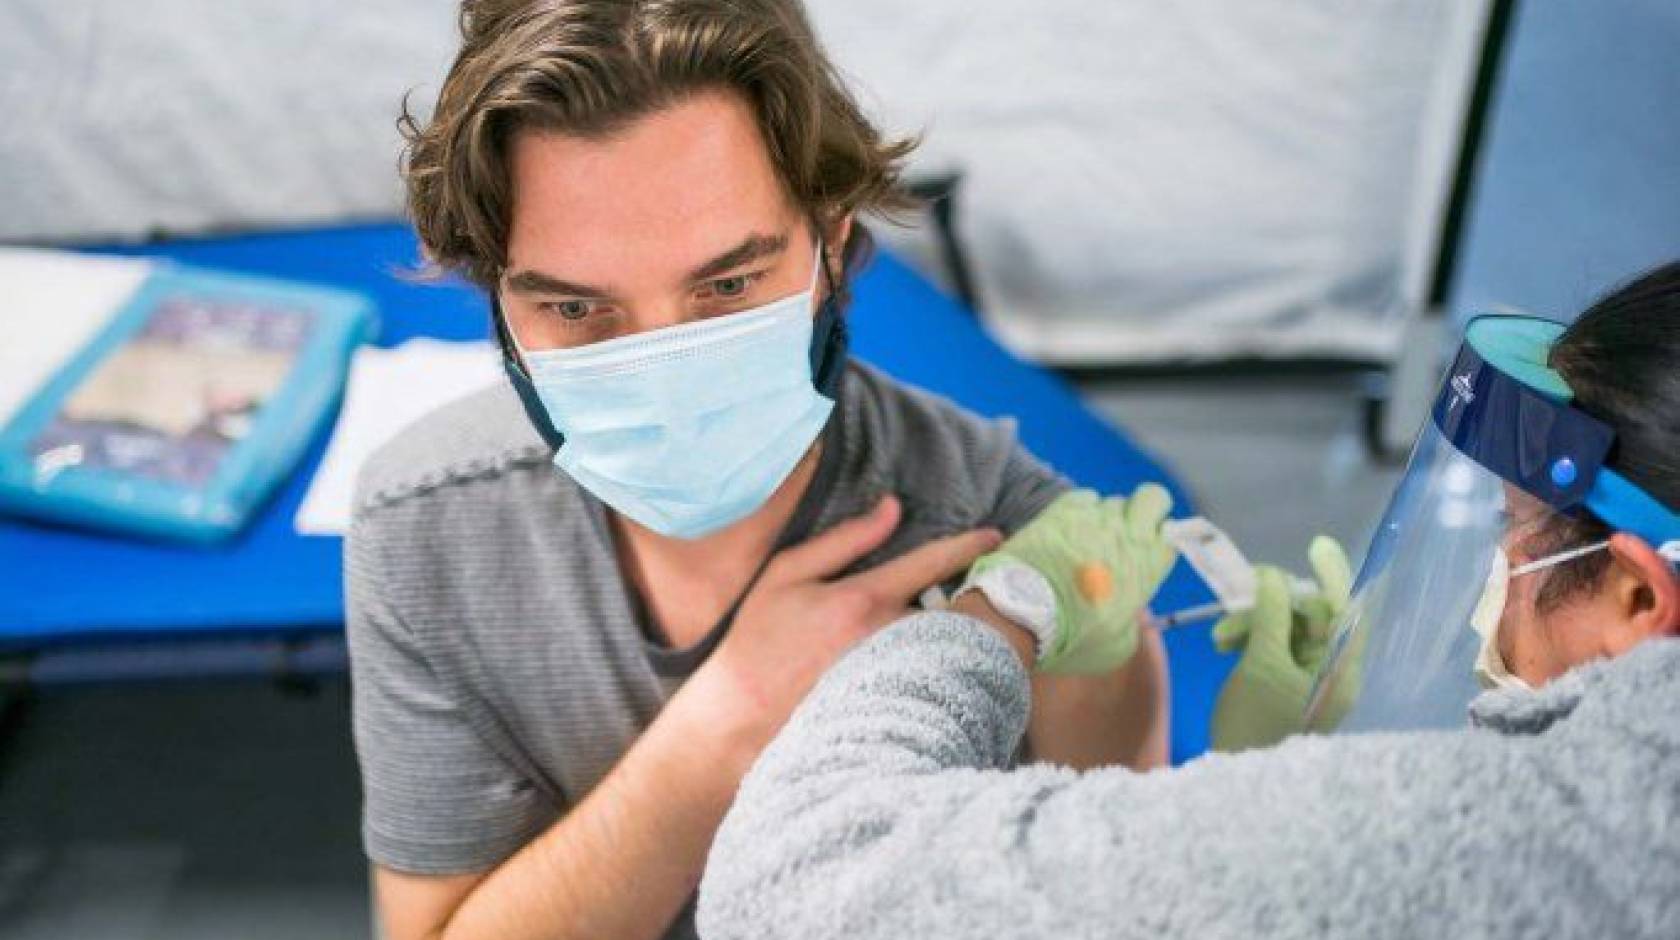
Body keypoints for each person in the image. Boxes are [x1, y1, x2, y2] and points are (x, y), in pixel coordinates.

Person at [346, 2, 1172, 938]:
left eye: (729, 285)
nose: (666, 373)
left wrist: (1106, 666)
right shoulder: (421, 528)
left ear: (830, 236)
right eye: (577, 309)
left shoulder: (1006, 534)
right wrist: (724, 731)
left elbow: (1102, 907)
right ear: (497, 300)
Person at [698, 264, 1680, 939]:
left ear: (1639, 595)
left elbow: (793, 890)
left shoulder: (1542, 832)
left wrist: (1002, 611)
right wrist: (1268, 783)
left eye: (1518, 531)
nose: (1494, 575)